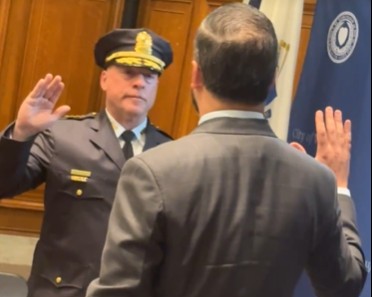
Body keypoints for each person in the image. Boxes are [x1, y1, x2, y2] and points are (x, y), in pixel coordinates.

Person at [86, 4, 366, 297]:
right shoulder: (316, 180)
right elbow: (344, 285)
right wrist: (340, 188)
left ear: (196, 75)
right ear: (274, 79)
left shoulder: (151, 172)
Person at [0, 28, 173, 297]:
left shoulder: (169, 152)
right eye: (129, 73)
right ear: (104, 79)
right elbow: (4, 184)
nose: (140, 83)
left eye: (149, 76)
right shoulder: (63, 136)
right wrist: (21, 134)